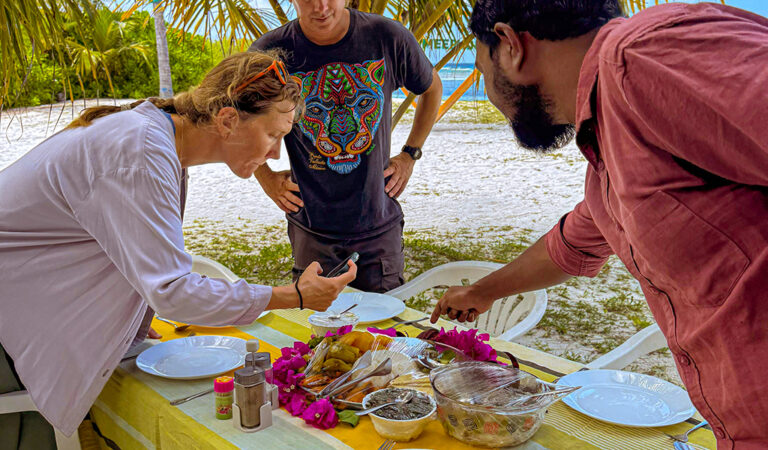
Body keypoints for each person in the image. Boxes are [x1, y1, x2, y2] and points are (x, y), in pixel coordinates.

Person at [430, 1, 768, 447]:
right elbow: (572, 245)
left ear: (510, 45)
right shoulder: (611, 136)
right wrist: (481, 292)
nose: (491, 99)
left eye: (481, 71)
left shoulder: (643, 57)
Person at [0, 51, 357, 447]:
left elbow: (120, 248)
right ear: (227, 120)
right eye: (273, 135)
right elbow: (173, 292)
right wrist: (294, 296)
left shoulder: (153, 137)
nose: (275, 153)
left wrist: (129, 316)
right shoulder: (139, 153)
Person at [249, 0, 443, 293]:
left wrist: (410, 154)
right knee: (316, 321)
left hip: (378, 228)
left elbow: (431, 88)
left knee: (385, 320)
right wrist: (264, 175)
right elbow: (237, 117)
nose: (321, 6)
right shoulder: (270, 53)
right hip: (311, 229)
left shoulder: (387, 37)